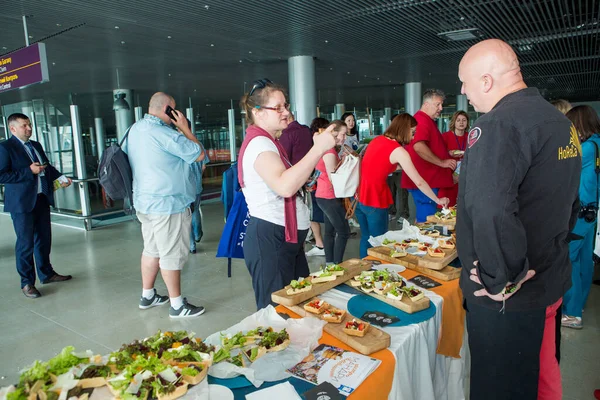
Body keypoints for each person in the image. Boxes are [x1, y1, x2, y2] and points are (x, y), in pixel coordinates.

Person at [456, 39, 580, 400]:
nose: (462, 92)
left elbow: (490, 207)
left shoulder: (498, 124)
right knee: (540, 375)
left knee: (502, 386)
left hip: (510, 296)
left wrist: (500, 278)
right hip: (547, 277)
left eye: (465, 82)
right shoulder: (560, 122)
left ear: (487, 81)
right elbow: (570, 200)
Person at [237, 78, 336, 310]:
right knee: (277, 313)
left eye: (286, 106)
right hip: (271, 240)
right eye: (278, 107)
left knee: (297, 304)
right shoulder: (260, 144)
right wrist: (318, 148)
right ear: (258, 112)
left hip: (284, 239)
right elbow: (284, 186)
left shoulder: (270, 142)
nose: (286, 112)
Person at [124, 92, 206, 319]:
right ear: (168, 109)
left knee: (151, 249)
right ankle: (178, 305)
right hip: (168, 204)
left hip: (144, 202)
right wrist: (185, 128)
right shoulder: (163, 132)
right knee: (170, 253)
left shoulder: (134, 130)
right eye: (174, 110)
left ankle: (147, 295)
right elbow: (198, 154)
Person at [0, 113, 73, 298]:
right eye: (24, 125)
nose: (29, 128)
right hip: (21, 203)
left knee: (44, 239)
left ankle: (47, 273)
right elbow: (2, 175)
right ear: (13, 128)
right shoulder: (5, 147)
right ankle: (26, 283)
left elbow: (46, 166)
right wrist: (28, 171)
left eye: (29, 125)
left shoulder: (36, 145)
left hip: (41, 198)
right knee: (25, 244)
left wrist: (60, 177)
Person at [356, 113, 449, 258]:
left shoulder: (377, 140)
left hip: (360, 197)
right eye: (412, 133)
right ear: (404, 129)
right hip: (375, 199)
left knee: (366, 239)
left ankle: (364, 273)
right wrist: (437, 200)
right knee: (379, 244)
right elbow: (419, 181)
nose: (413, 137)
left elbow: (377, 165)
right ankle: (374, 275)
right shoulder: (399, 151)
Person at [561, 105, 600, 329]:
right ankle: (580, 304)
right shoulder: (597, 144)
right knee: (585, 260)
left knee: (570, 259)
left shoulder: (584, 149)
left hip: (580, 210)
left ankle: (572, 313)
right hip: (592, 212)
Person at [401, 90, 455, 222]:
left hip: (428, 180)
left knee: (425, 218)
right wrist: (442, 162)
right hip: (426, 180)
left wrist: (446, 154)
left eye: (441, 105)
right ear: (426, 104)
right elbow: (418, 146)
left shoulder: (425, 120)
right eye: (437, 105)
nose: (440, 109)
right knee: (426, 221)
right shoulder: (421, 120)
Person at [315, 120, 351, 265]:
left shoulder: (327, 149)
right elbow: (333, 177)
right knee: (344, 231)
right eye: (343, 134)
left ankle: (331, 264)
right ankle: (336, 264)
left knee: (330, 232)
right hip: (329, 196)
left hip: (323, 195)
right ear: (334, 133)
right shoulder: (329, 152)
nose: (344, 138)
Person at [304, 117, 330, 257]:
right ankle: (322, 243)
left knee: (314, 216)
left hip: (316, 186)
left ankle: (321, 244)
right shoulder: (324, 145)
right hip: (321, 186)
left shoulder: (315, 145)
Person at [439, 111, 470, 206]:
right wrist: (448, 153)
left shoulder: (470, 137)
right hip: (449, 174)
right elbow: (439, 154)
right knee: (447, 206)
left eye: (464, 120)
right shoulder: (445, 136)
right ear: (454, 122)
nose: (461, 123)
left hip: (466, 175)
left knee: (463, 205)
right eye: (458, 120)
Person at [189, 138, 210, 254]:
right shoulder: (198, 144)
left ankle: (192, 245)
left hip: (185, 188)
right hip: (197, 186)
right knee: (195, 210)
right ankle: (197, 235)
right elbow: (204, 167)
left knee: (186, 215)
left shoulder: (180, 144)